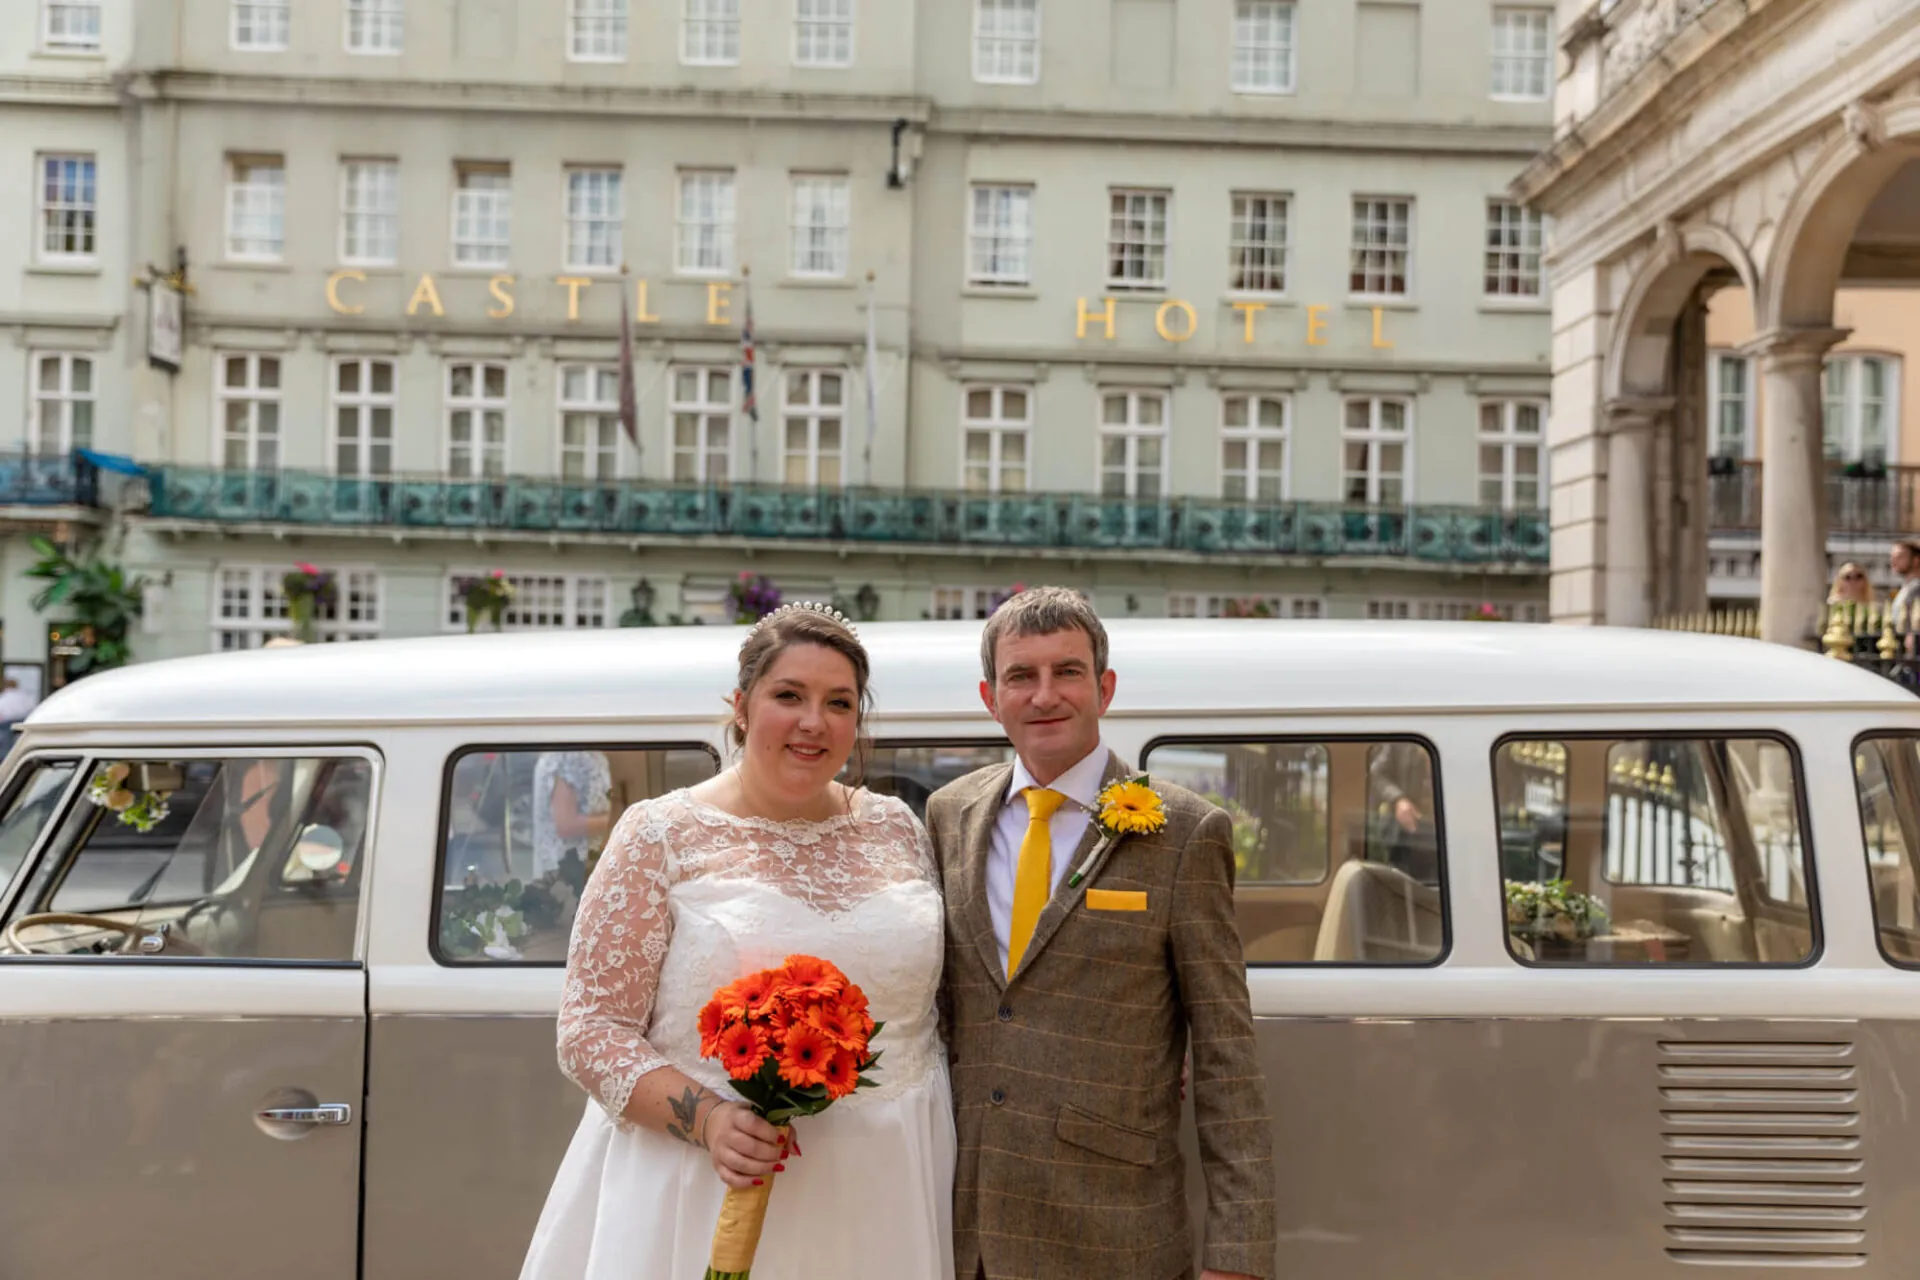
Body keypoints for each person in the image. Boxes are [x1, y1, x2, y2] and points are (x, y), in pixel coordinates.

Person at [520, 604, 954, 1280]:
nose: (813, 721)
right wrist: (711, 1121)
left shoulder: (898, 827)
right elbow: (590, 1030)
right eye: (789, 696)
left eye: (838, 702)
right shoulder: (659, 834)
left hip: (891, 1177)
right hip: (710, 1178)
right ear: (741, 705)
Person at [925, 587, 1276, 1280]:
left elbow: (1226, 1050)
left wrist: (1239, 1253)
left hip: (1114, 1232)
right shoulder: (947, 814)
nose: (1044, 695)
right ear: (991, 696)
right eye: (1021, 676)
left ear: (1104, 688)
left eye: (1068, 672)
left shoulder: (1185, 831)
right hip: (967, 1223)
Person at [530, 749, 611, 881]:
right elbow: (566, 824)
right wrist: (614, 822)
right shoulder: (570, 757)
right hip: (568, 874)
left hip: (577, 870)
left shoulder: (583, 756)